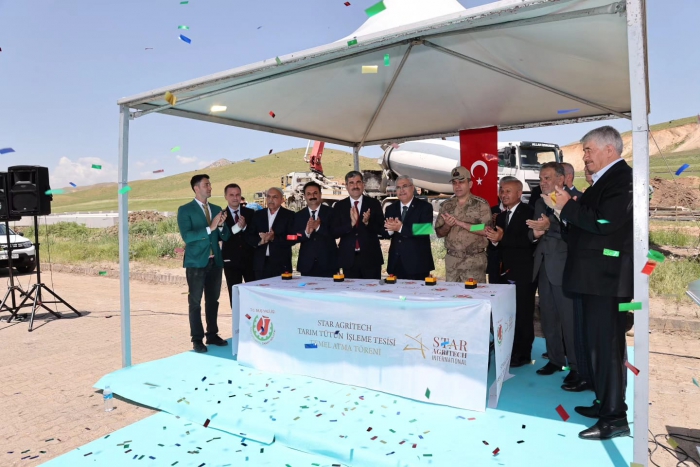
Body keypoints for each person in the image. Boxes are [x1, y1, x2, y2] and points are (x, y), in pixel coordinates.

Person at [553, 125, 633, 440]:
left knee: (607, 349)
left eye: (588, 149)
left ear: (609, 150)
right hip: (594, 279)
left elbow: (605, 222)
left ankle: (614, 418)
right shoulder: (605, 181)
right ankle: (604, 403)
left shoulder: (622, 179)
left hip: (606, 281)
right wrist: (567, 211)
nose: (584, 156)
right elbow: (589, 225)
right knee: (597, 346)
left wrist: (568, 207)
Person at [525, 163, 579, 386]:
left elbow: (575, 233)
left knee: (569, 321)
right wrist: (536, 234)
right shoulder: (539, 202)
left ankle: (576, 367)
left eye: (547, 178)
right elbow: (531, 234)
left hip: (564, 268)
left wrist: (551, 226)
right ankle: (555, 360)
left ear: (561, 179)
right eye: (540, 178)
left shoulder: (574, 200)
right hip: (543, 267)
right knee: (548, 317)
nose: (542, 182)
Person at [177, 174, 231, 353]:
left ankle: (212, 334)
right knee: (195, 302)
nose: (210, 187)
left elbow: (225, 236)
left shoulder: (217, 209)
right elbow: (188, 237)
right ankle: (197, 339)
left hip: (215, 262)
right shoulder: (185, 210)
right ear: (196, 188)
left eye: (210, 184)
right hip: (196, 263)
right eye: (206, 184)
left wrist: (221, 226)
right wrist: (210, 227)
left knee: (213, 300)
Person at [485, 179, 536, 367]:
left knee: (523, 314)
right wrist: (495, 241)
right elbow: (498, 245)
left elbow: (527, 241)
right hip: (504, 273)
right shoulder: (500, 216)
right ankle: (509, 349)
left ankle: (523, 354)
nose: (503, 194)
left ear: (519, 193)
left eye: (508, 191)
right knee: (508, 314)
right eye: (501, 190)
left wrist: (502, 238)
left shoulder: (529, 213)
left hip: (523, 272)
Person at [435, 167, 492, 283]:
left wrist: (461, 223)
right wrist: (447, 226)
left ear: (470, 184)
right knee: (452, 294)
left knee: (474, 293)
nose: (457, 186)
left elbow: (485, 229)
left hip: (474, 261)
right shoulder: (446, 206)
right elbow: (439, 233)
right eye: (454, 183)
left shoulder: (481, 205)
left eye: (461, 182)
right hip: (452, 261)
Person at [332, 171, 385, 279]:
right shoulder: (339, 206)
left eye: (358, 182)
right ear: (346, 186)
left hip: (371, 259)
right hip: (349, 260)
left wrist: (368, 223)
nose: (355, 186)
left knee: (372, 289)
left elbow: (382, 230)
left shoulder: (374, 204)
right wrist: (350, 224)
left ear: (363, 184)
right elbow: (334, 232)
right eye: (351, 183)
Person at [383, 175, 435, 280]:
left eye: (405, 186)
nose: (401, 190)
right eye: (398, 187)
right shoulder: (390, 208)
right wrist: (390, 229)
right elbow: (384, 232)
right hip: (396, 263)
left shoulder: (425, 207)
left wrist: (401, 228)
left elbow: (425, 229)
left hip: (418, 265)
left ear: (412, 188)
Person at [247, 187, 296, 280]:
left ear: (282, 199)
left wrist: (274, 238)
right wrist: (261, 241)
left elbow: (293, 238)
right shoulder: (258, 215)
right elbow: (250, 236)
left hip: (281, 264)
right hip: (260, 264)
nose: (271, 199)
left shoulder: (289, 215)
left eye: (275, 197)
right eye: (268, 196)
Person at [294, 181, 338, 277]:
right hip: (306, 265)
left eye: (315, 193)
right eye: (309, 194)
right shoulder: (298, 215)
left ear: (320, 194)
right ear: (305, 196)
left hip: (328, 263)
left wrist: (319, 227)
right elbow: (294, 236)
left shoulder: (332, 212)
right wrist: (306, 233)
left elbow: (336, 233)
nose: (312, 196)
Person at [221, 184, 255, 304]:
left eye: (237, 195)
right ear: (226, 196)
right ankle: (236, 316)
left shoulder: (251, 213)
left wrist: (244, 227)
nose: (235, 198)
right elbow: (220, 236)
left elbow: (254, 235)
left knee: (254, 293)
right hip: (231, 261)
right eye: (231, 195)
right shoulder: (221, 215)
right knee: (235, 296)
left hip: (250, 260)